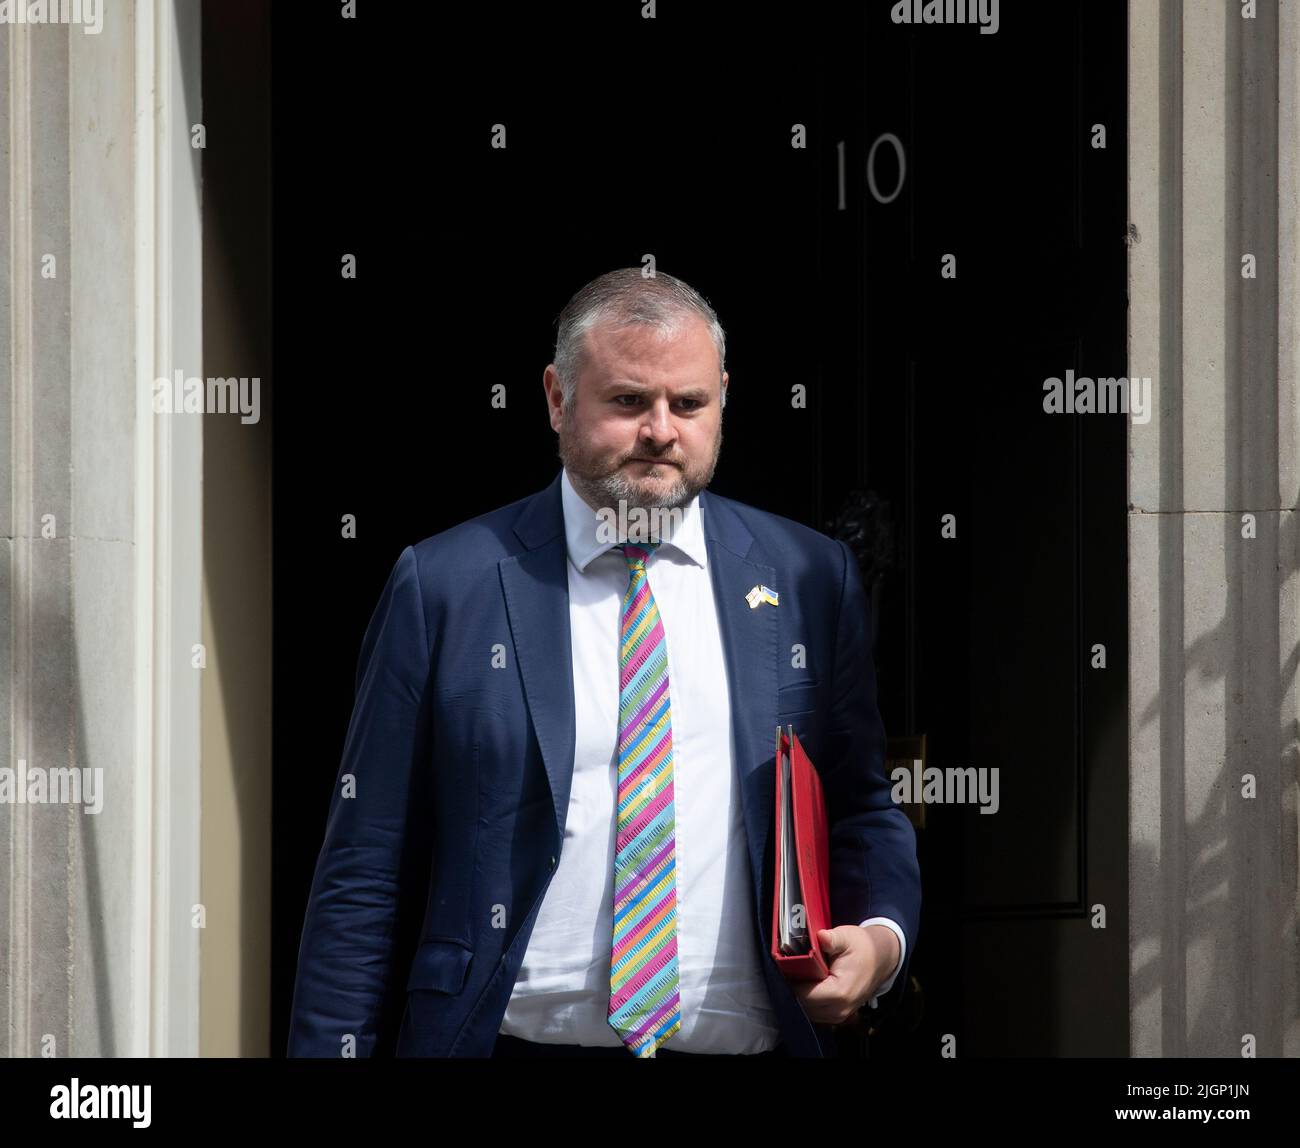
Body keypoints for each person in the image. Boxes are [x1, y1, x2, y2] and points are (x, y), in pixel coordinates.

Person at [286, 268, 921, 1058]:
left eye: (689, 404)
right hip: (508, 1043)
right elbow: (364, 868)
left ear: (723, 396)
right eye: (628, 401)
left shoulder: (807, 579)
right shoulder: (448, 584)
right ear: (557, 398)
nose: (661, 429)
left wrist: (883, 942)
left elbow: (861, 805)